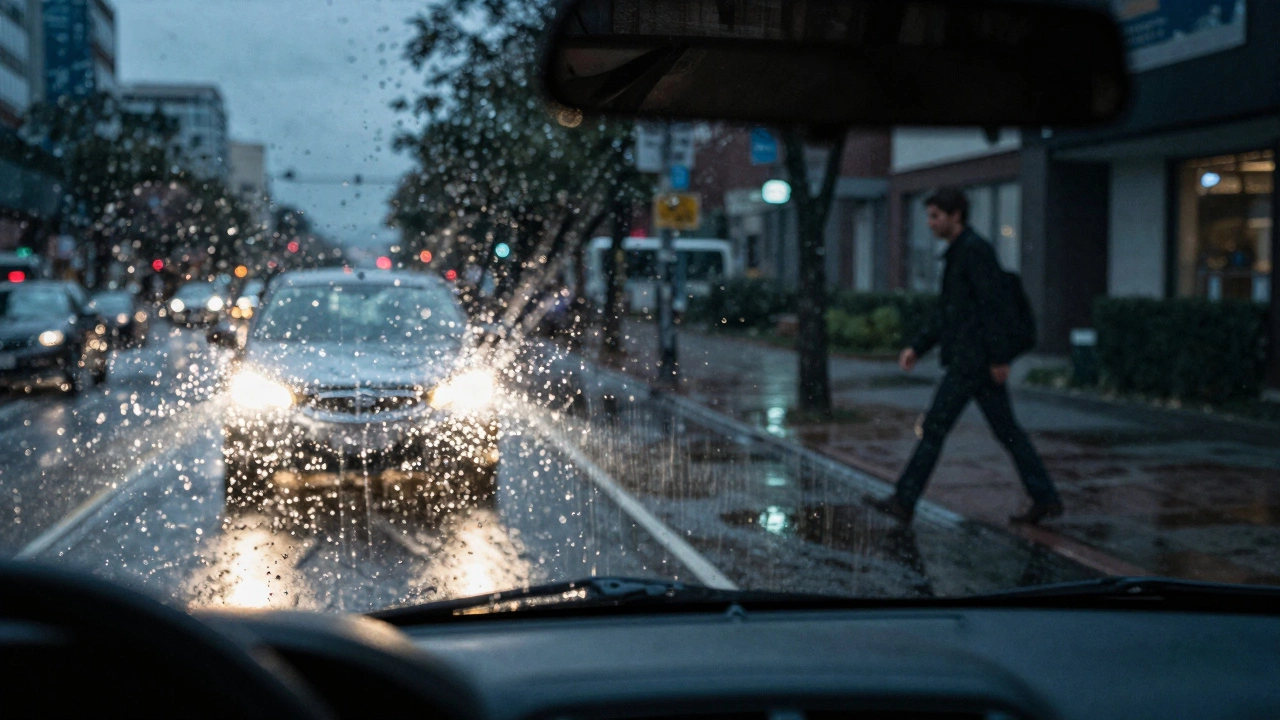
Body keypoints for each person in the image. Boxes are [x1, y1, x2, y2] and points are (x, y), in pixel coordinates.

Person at [867, 187, 1063, 525]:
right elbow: (950, 313)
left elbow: (994, 307)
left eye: (935, 216)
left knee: (935, 427)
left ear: (955, 215)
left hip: (972, 361)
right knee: (1006, 431)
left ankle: (904, 500)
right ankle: (1045, 497)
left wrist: (999, 357)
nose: (930, 223)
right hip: (974, 359)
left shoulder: (974, 252)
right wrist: (918, 347)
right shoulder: (961, 253)